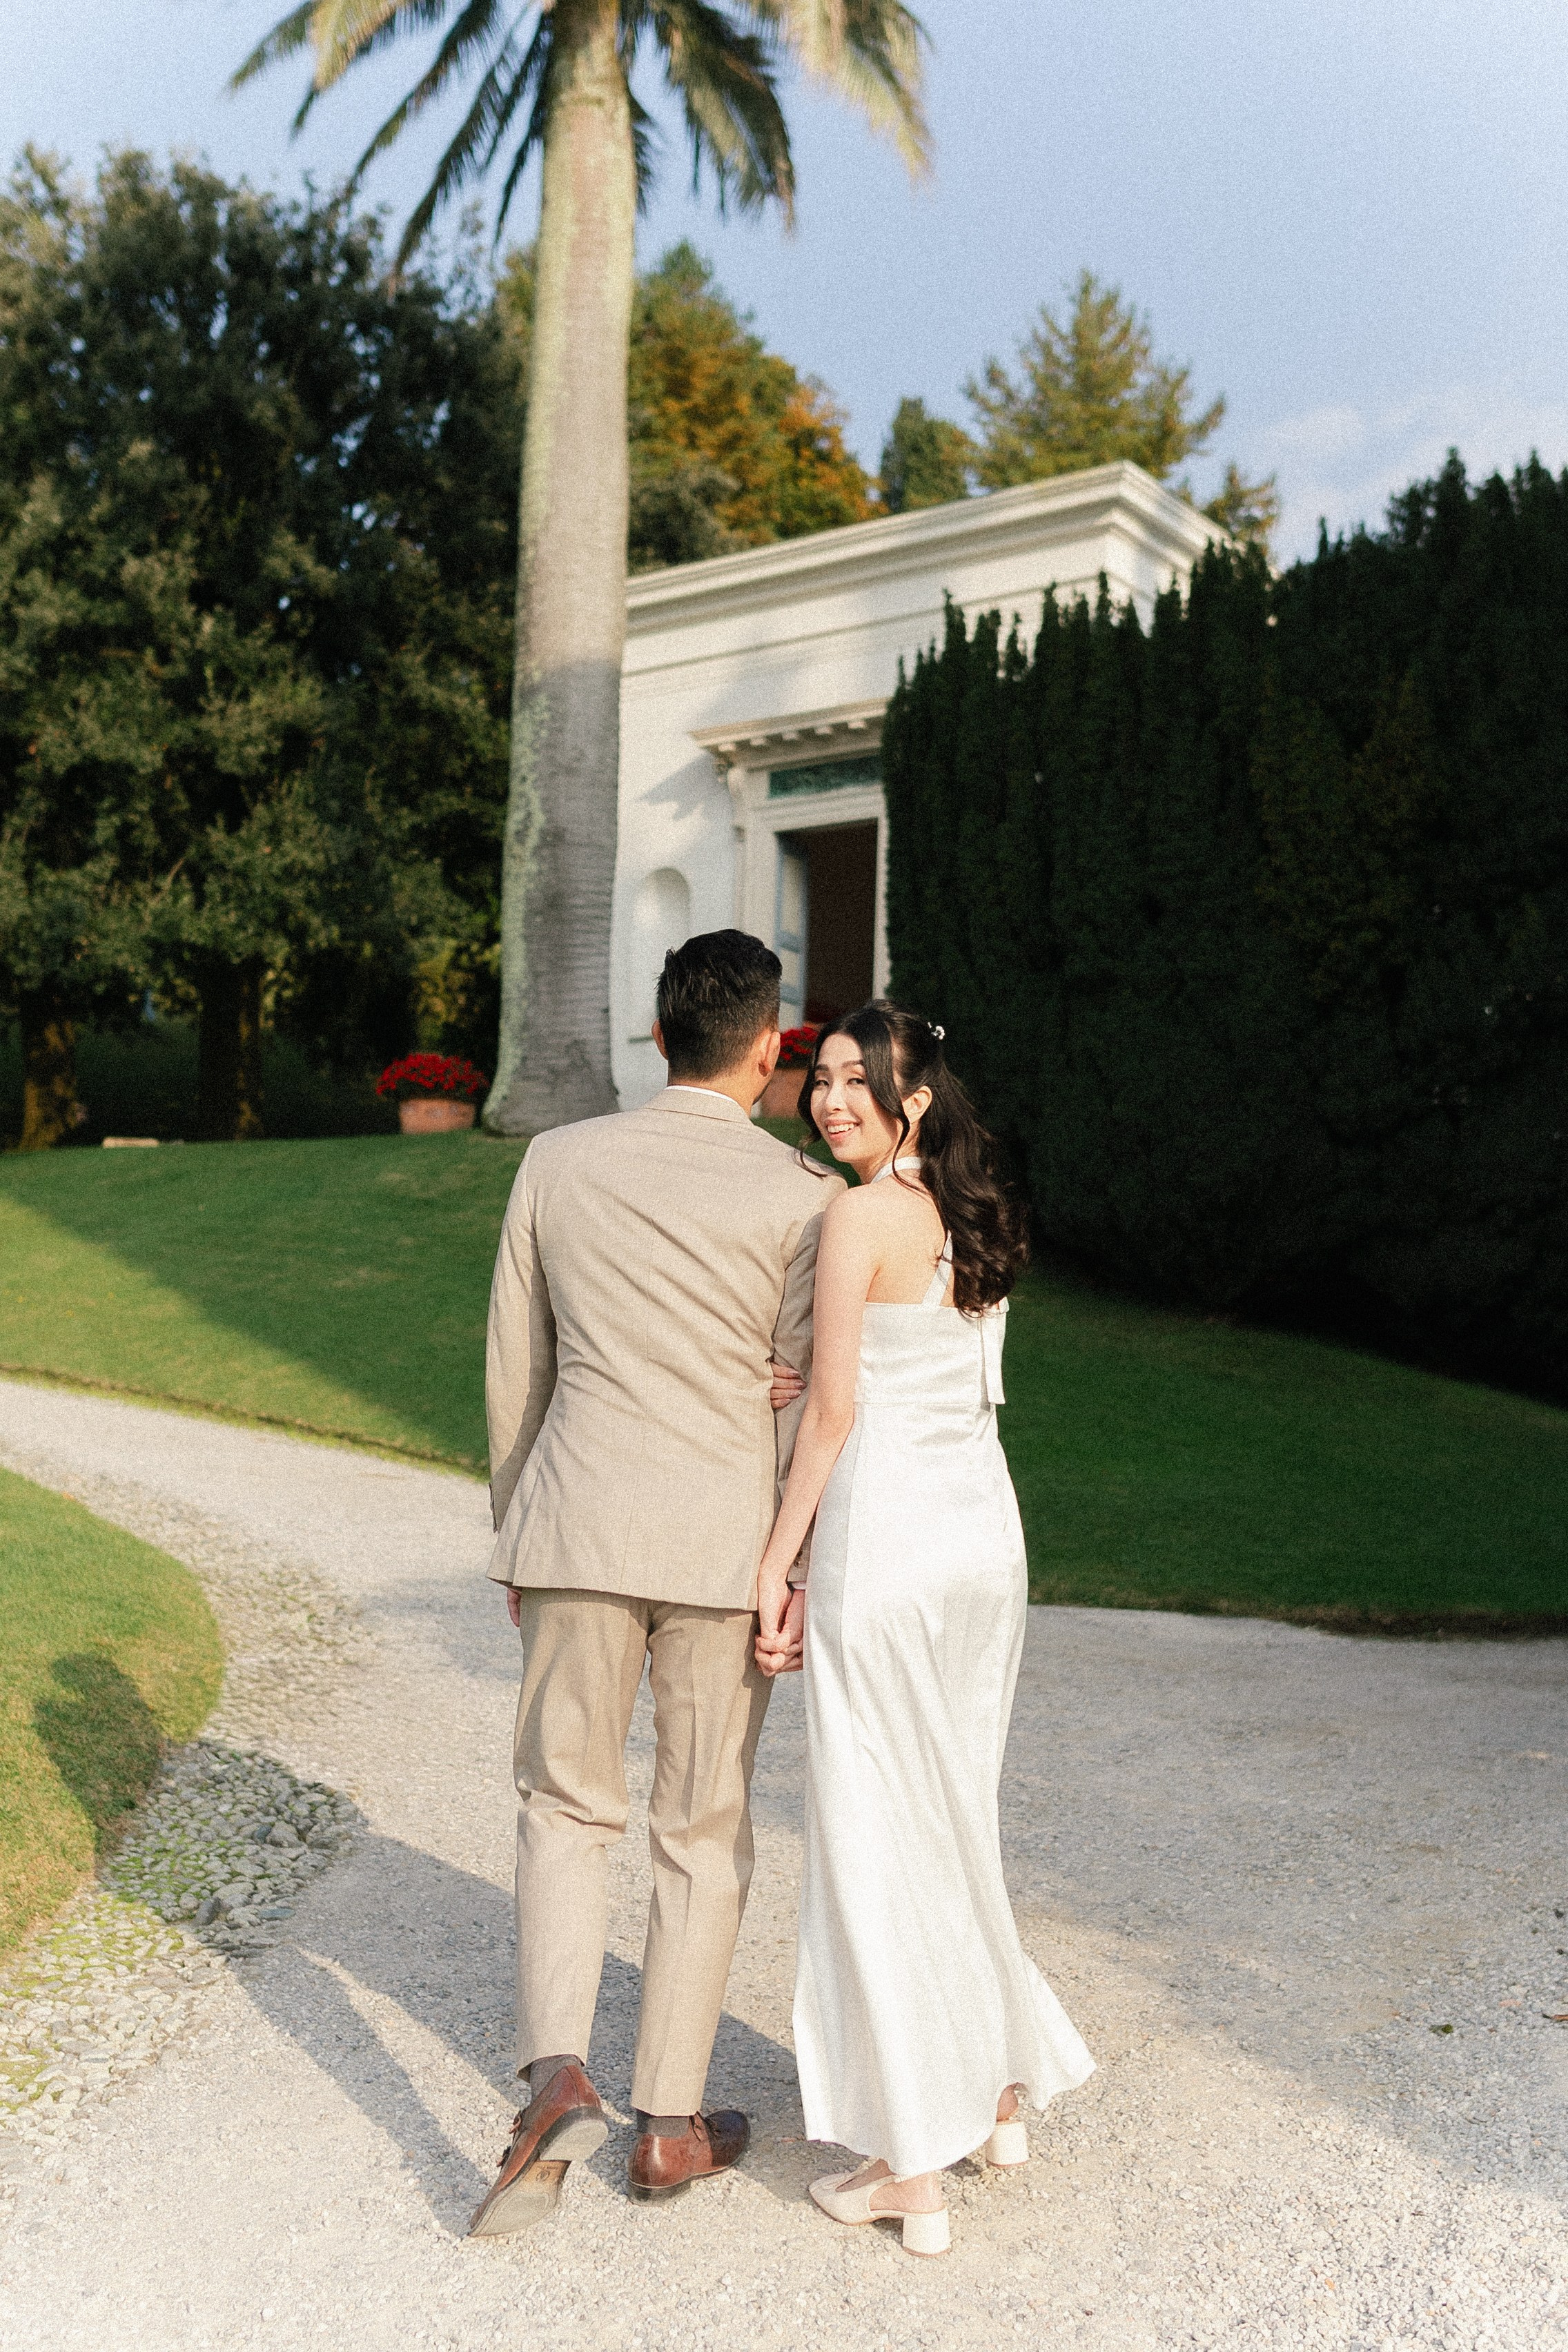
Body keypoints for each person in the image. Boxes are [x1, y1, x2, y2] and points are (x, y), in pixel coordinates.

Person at [469, 930, 843, 2236]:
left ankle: (555, 2077)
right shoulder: (803, 1195)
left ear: (657, 1033)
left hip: (578, 1526)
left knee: (564, 1804)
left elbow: (516, 1367)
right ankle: (669, 2124)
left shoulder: (557, 1160)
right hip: (726, 1547)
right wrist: (795, 1565)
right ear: (768, 1045)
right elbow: (809, 1401)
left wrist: (519, 1533)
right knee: (701, 1825)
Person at [753, 1001, 1094, 2258]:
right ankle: (996, 2091)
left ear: (912, 1097)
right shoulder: (971, 1211)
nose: (830, 1097)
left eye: (857, 1079)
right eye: (821, 1078)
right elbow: (907, 1369)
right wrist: (813, 1383)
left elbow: (837, 1413)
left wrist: (777, 1562)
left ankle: (908, 2165)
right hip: (981, 1544)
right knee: (952, 1817)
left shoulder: (858, 1216)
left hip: (889, 1544)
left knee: (876, 1836)